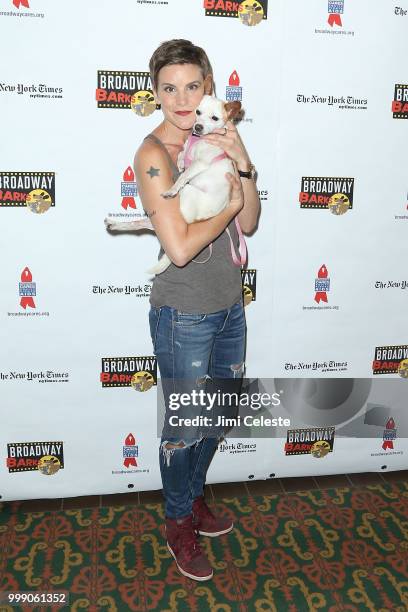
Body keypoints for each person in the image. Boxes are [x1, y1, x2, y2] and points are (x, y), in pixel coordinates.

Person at [133, 39, 260, 582]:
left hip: (230, 303)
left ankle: (190, 496)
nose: (182, 100)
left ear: (208, 87)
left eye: (192, 86)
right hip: (184, 312)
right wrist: (230, 202)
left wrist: (244, 161)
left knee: (221, 414)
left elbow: (249, 223)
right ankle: (178, 519)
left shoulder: (217, 133)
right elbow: (180, 249)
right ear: (156, 92)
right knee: (184, 428)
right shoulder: (154, 156)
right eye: (169, 88)